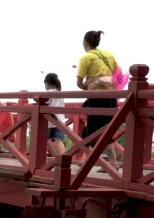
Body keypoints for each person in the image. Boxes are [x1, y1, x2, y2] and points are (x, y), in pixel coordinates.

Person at [75, 30, 119, 164]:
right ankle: (113, 162)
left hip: (95, 97)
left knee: (92, 130)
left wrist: (89, 86)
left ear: (85, 42)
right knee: (106, 130)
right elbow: (118, 75)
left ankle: (86, 161)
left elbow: (79, 83)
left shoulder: (86, 58)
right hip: (111, 97)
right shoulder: (109, 55)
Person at [43, 72, 68, 158]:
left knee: (42, 138)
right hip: (60, 120)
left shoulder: (47, 93)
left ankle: (42, 156)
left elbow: (44, 104)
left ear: (47, 83)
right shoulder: (60, 93)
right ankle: (64, 159)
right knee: (59, 140)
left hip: (49, 120)